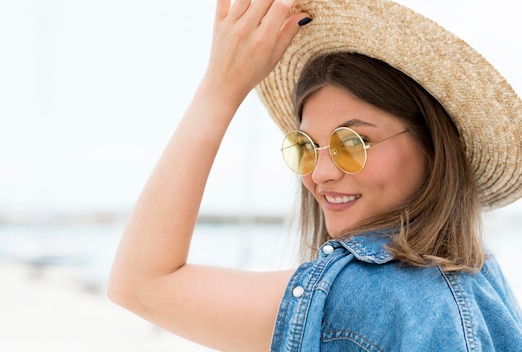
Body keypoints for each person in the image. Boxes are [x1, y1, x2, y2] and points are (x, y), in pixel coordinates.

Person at [108, 0, 522, 350]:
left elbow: (140, 283)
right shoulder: (478, 275)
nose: (321, 174)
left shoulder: (366, 293)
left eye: (354, 142)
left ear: (431, 147)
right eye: (306, 148)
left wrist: (220, 88)